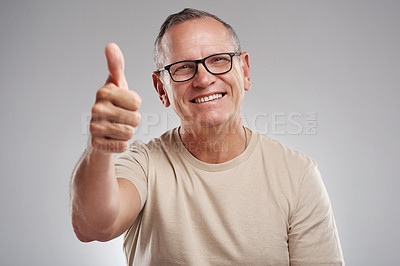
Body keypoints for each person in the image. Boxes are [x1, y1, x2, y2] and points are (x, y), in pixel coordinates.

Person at [70, 8, 344, 265]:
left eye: (218, 60)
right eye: (184, 67)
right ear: (161, 88)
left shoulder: (298, 174)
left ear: (245, 71)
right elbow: (93, 225)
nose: (203, 79)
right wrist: (100, 147)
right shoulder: (144, 164)